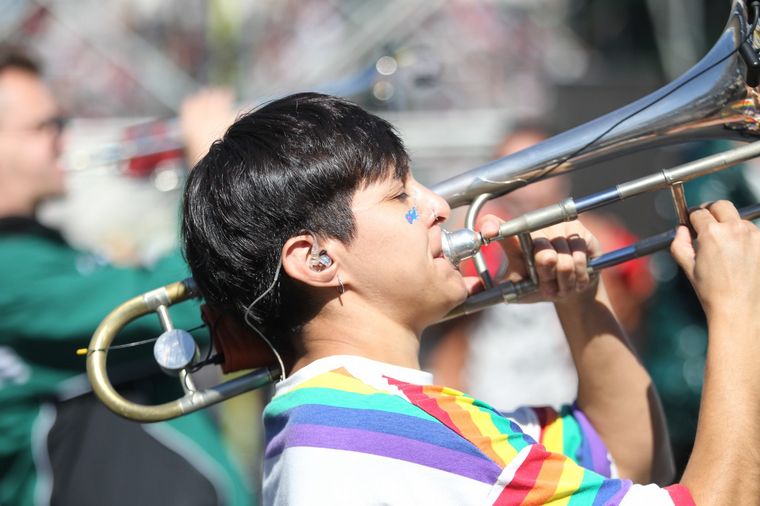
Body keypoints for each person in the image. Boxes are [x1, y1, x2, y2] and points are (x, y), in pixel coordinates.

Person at [182, 92, 760, 505]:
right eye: (400, 194)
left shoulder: (370, 416)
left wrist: (579, 299)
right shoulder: (380, 435)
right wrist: (739, 312)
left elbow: (625, 460)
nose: (438, 205)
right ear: (318, 260)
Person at [0, 46, 252, 506]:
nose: (64, 138)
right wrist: (211, 168)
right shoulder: (9, 274)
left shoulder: (38, 252)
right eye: (45, 126)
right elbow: (182, 295)